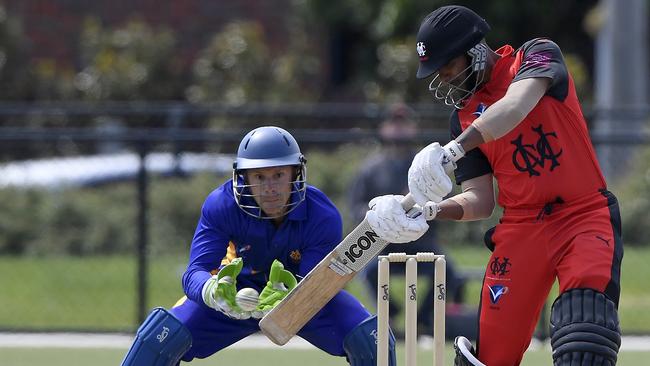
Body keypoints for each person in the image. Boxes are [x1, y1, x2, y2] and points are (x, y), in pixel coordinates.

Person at [365, 5, 623, 366]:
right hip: (521, 231)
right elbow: (480, 200)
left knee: (584, 339)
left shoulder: (537, 55)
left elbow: (515, 106)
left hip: (582, 215)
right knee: (490, 359)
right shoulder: (463, 117)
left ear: (473, 48)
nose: (446, 79)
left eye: (448, 66)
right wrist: (429, 209)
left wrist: (455, 149)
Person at [121, 126, 397, 366]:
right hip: (233, 294)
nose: (270, 188)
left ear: (295, 173)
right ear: (244, 178)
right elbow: (195, 271)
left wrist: (289, 297)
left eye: (278, 175)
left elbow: (317, 282)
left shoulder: (321, 214)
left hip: (303, 294)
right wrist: (212, 291)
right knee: (159, 338)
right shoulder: (221, 205)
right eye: (259, 177)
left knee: (372, 340)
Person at [348, 103, 469, 337]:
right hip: (385, 242)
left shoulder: (424, 166)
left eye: (403, 123)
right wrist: (382, 212)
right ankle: (389, 316)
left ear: (413, 128)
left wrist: (424, 208)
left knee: (449, 271)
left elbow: (446, 201)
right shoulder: (370, 169)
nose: (399, 129)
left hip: (420, 238)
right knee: (370, 269)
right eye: (394, 123)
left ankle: (421, 319)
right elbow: (356, 208)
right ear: (384, 128)